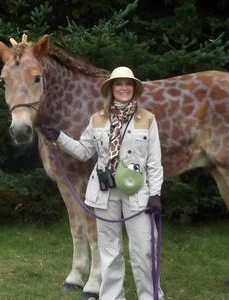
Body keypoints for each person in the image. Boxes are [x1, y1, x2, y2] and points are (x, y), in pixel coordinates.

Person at [41, 66, 164, 300]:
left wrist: (155, 194)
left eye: (128, 84)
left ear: (134, 89)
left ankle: (150, 296)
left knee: (144, 251)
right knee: (109, 252)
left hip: (138, 193)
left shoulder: (148, 119)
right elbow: (84, 151)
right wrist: (59, 137)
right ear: (111, 89)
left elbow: (154, 162)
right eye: (119, 84)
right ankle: (112, 296)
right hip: (105, 193)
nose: (124, 88)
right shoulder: (97, 119)